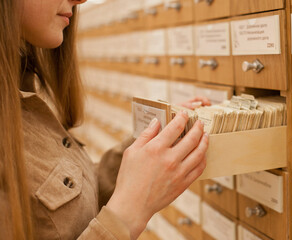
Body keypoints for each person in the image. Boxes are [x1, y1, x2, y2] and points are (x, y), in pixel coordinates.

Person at [0, 0, 210, 239]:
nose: (81, 0)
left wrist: (150, 144)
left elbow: (61, 209)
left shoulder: (18, 84)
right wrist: (127, 213)